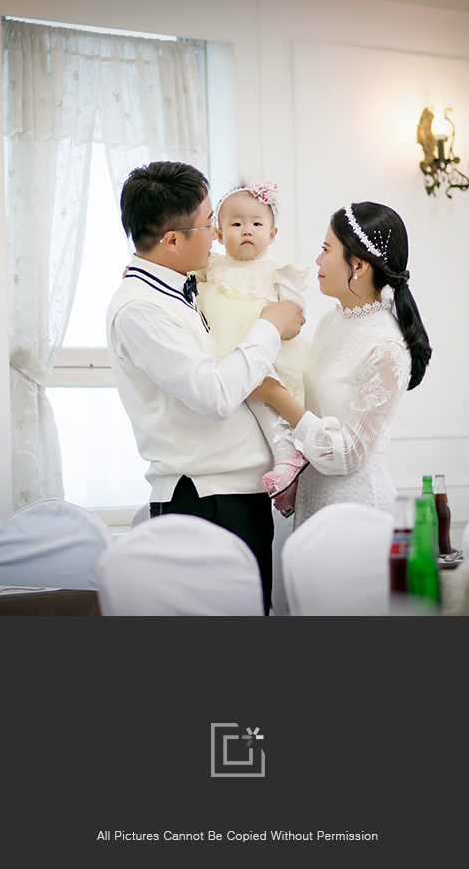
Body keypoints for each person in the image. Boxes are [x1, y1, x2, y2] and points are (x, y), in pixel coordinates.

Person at [106, 161, 305, 613]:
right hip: (204, 498)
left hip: (235, 495)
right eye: (208, 223)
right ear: (172, 240)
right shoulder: (141, 310)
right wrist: (268, 326)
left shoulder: (186, 287)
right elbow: (213, 396)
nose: (217, 234)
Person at [249, 202, 431, 527]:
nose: (318, 260)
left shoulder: (386, 347)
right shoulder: (330, 322)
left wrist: (276, 396)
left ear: (358, 265)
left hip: (357, 512)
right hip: (312, 504)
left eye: (326, 249)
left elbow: (348, 453)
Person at [194, 181, 310, 516]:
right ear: (218, 234)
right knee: (242, 398)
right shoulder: (211, 265)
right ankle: (286, 463)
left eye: (257, 223)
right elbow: (179, 277)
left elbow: (295, 310)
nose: (247, 230)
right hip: (227, 348)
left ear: (272, 234)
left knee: (263, 395)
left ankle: (286, 454)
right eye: (236, 223)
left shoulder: (278, 269)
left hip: (266, 345)